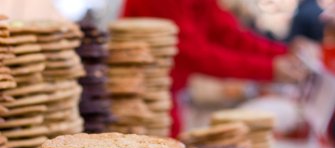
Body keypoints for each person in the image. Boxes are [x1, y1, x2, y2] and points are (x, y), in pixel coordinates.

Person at [122, 0, 307, 137]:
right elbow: (192, 53)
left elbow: (228, 34)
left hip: (166, 95)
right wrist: (269, 69)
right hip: (136, 96)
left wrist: (282, 52)